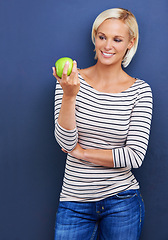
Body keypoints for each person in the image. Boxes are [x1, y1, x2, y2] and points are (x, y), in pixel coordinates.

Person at [52, 8, 153, 240]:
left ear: (130, 43)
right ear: (95, 37)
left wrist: (83, 153)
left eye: (117, 39)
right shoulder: (71, 80)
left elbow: (135, 156)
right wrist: (69, 95)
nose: (107, 46)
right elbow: (66, 142)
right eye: (102, 37)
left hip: (122, 201)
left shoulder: (140, 91)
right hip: (74, 200)